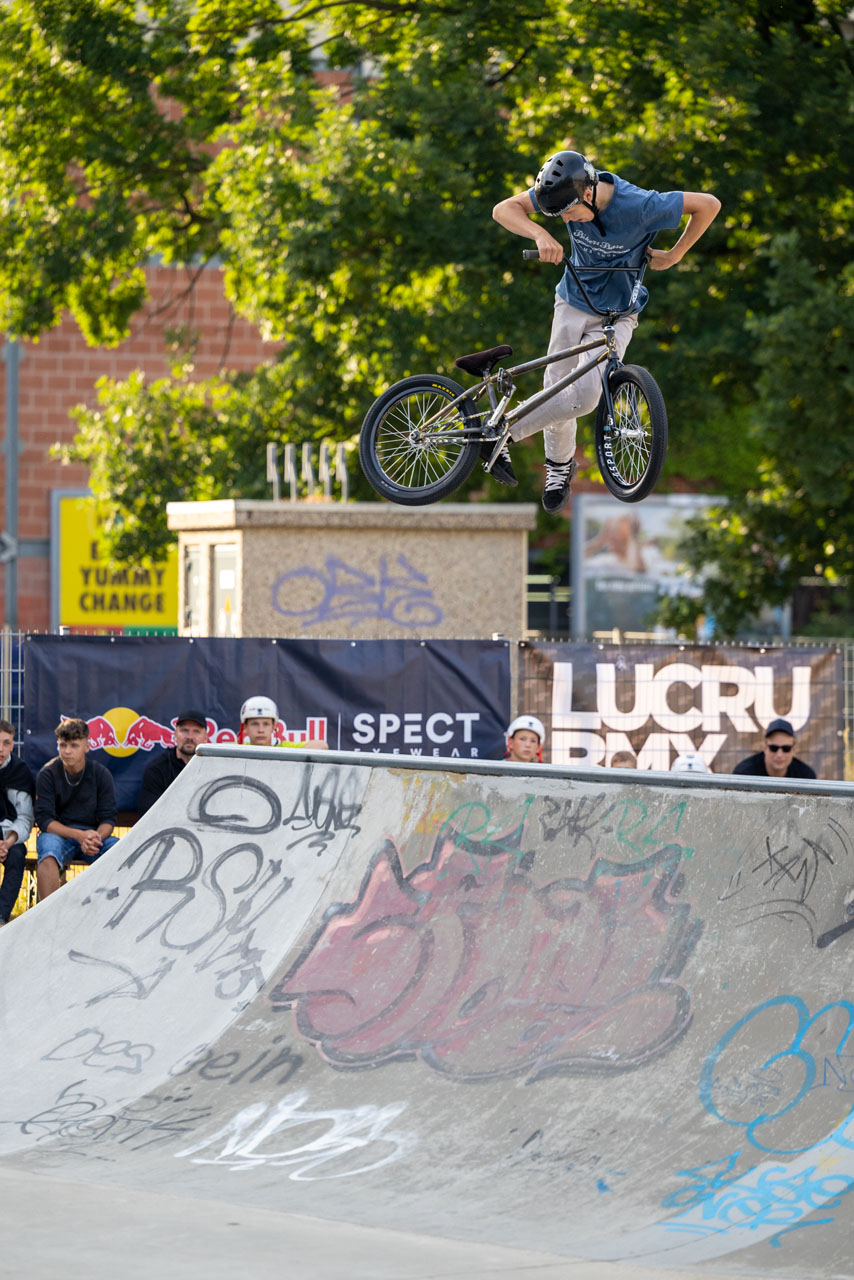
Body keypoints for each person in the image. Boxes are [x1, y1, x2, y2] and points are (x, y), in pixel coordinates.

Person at [491, 151, 721, 512]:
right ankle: (559, 467)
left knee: (583, 398)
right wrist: (539, 234)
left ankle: (503, 430)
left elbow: (708, 204)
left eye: (567, 212)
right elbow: (503, 209)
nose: (565, 220)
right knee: (556, 388)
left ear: (589, 194)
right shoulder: (560, 192)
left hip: (618, 312)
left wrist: (675, 255)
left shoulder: (642, 206)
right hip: (572, 301)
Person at [35, 717, 119, 900]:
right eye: (63, 745)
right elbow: (45, 821)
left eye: (74, 745)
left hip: (93, 837)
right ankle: (49, 920)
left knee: (120, 851)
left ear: (86, 747)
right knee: (48, 850)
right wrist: (79, 836)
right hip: (60, 836)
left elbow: (108, 819)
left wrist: (95, 837)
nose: (67, 751)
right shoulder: (47, 773)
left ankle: (115, 915)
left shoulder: (100, 774)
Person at [137, 709, 209, 816]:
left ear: (205, 738)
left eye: (196, 731)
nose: (189, 737)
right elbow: (147, 814)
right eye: (184, 730)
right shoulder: (156, 769)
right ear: (175, 735)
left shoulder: (213, 768)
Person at [0, 719, 35, 926]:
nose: (0, 749)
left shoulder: (20, 772)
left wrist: (7, 842)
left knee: (16, 856)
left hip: (9, 835)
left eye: (6, 743)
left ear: (13, 745)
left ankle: (1, 917)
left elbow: (25, 817)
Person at [733, 718, 816, 781]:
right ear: (764, 748)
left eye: (786, 749)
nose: (779, 755)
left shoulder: (805, 777)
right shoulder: (744, 775)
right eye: (774, 748)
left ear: (793, 750)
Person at [239, 696, 329, 749]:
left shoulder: (283, 748)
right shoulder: (237, 749)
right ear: (245, 727)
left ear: (274, 726)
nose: (260, 730)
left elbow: (322, 746)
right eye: (255, 724)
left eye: (266, 724)